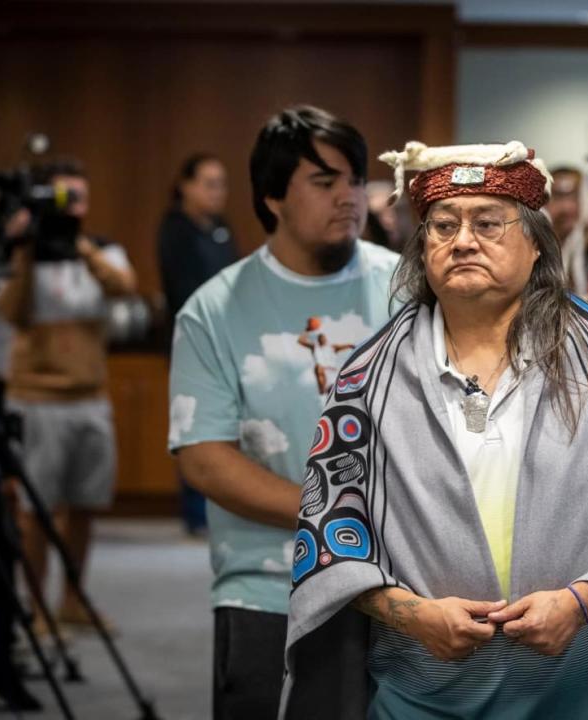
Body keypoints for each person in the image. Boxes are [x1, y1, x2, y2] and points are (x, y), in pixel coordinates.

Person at [281, 141, 588, 719]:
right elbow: (330, 530)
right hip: (421, 689)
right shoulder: (365, 379)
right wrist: (412, 615)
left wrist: (584, 603)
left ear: (537, 245)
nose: (463, 241)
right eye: (442, 226)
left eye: (488, 223)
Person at [168, 105, 399, 720]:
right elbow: (206, 460)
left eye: (354, 179)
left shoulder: (405, 286)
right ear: (272, 197)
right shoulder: (213, 310)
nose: (349, 196)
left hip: (402, 578)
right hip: (267, 583)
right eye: (325, 182)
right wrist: (332, 515)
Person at [0, 157, 136, 632]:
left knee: (84, 504)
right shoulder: (24, 254)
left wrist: (80, 248)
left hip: (91, 397)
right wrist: (27, 251)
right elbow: (12, 313)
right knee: (37, 511)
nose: (71, 205)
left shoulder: (101, 250)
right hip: (37, 400)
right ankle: (36, 610)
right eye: (61, 196)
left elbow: (124, 287)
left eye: (78, 196)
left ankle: (73, 601)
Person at [158, 153, 239, 535]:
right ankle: (195, 515)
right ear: (185, 186)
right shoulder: (174, 229)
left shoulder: (221, 227)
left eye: (221, 183)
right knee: (195, 425)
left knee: (227, 427)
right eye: (208, 183)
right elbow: (183, 292)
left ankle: (219, 510)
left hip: (228, 340)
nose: (216, 192)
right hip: (192, 340)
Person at [544, 166, 587, 294]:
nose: (567, 207)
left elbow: (580, 285)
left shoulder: (575, 233)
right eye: (558, 197)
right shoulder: (536, 232)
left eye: (573, 197)